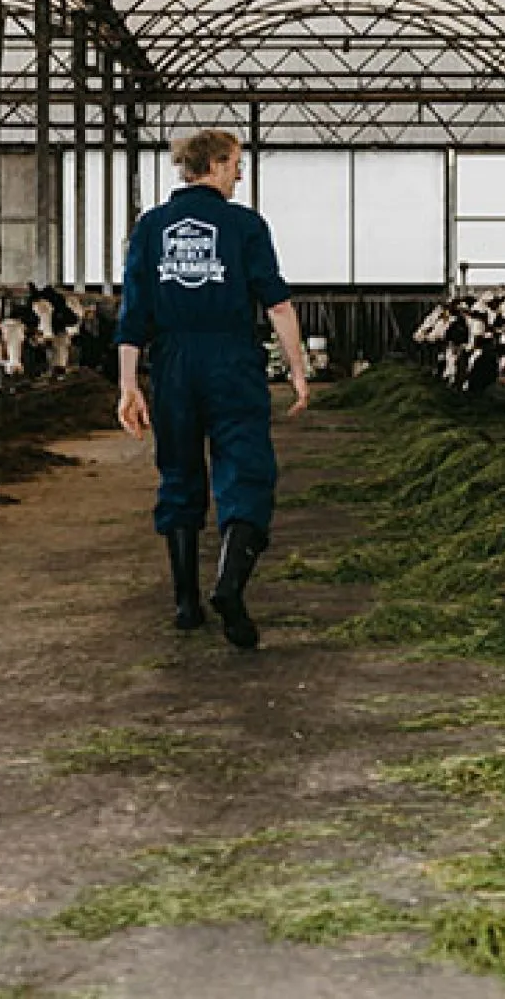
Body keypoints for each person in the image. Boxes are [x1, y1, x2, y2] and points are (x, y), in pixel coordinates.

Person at [114, 130, 310, 649]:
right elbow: (278, 305)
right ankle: (228, 584)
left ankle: (185, 604)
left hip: (172, 363)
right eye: (237, 163)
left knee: (178, 472)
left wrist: (128, 386)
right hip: (232, 360)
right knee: (245, 469)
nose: (240, 173)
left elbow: (133, 315)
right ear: (217, 164)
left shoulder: (150, 228)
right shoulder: (245, 225)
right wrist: (297, 368)